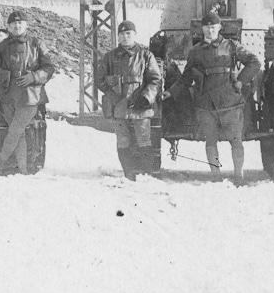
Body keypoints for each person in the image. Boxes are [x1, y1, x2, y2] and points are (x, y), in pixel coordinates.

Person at [176, 9, 261, 184]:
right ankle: (216, 177)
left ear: (219, 27)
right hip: (206, 104)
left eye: (213, 27)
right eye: (206, 27)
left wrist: (240, 81)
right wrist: (171, 91)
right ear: (202, 29)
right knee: (210, 142)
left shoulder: (231, 46)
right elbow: (186, 77)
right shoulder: (195, 51)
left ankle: (239, 176)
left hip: (230, 102)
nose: (210, 30)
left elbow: (254, 61)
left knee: (236, 142)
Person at [0, 11, 55, 175]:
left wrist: (34, 76)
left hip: (30, 97)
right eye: (13, 24)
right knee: (19, 133)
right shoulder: (1, 48)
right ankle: (23, 169)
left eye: (20, 23)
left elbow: (49, 68)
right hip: (7, 98)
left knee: (15, 130)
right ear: (8, 27)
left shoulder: (36, 44)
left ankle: (1, 160)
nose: (17, 26)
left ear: (26, 25)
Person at [96, 20, 163, 180]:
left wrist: (146, 98)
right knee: (123, 140)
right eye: (122, 34)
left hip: (141, 105)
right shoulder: (110, 57)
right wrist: (112, 95)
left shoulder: (146, 55)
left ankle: (146, 173)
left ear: (135, 35)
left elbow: (155, 79)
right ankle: (129, 173)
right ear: (118, 37)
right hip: (119, 106)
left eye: (128, 34)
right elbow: (99, 79)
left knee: (144, 138)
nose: (125, 37)